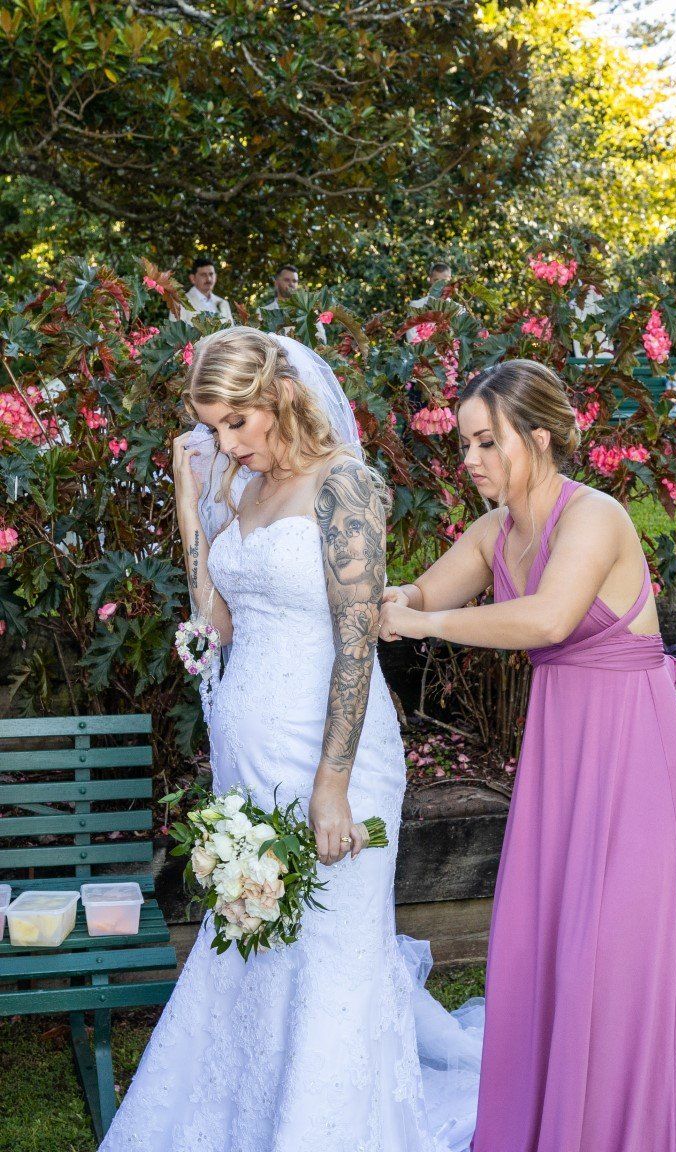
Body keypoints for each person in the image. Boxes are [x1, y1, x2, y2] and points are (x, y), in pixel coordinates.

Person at [97, 326, 481, 1152]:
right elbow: (219, 623)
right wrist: (190, 500)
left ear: (279, 397)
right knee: (255, 943)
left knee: (330, 954)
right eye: (213, 427)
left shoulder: (346, 484)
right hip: (249, 759)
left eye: (237, 422)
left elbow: (357, 645)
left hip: (332, 756)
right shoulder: (242, 486)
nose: (227, 443)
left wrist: (330, 787)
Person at [380, 359, 676, 1152]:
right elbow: (427, 592)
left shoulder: (595, 517)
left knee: (617, 967)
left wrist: (424, 625)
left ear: (536, 438)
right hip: (563, 763)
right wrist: (396, 600)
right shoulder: (495, 531)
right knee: (553, 956)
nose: (470, 460)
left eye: (485, 442)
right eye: (464, 444)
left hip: (638, 764)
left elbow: (548, 620)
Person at [262, 263, 326, 343]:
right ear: (276, 283)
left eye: (294, 281)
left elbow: (322, 340)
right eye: (287, 280)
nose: (291, 284)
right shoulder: (263, 312)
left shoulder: (308, 311)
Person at [178, 256, 233, 324]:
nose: (208, 279)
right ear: (192, 278)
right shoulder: (181, 303)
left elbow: (232, 330)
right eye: (203, 275)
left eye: (211, 274)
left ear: (215, 277)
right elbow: (174, 330)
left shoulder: (223, 303)